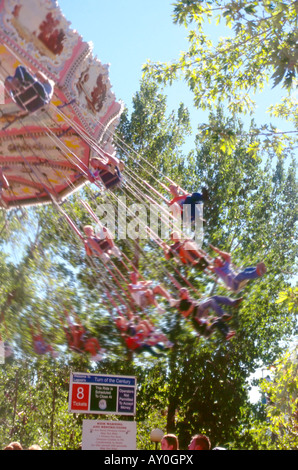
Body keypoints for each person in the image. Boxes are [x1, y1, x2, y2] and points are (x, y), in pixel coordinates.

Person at [173, 288, 240, 340]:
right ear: (182, 294)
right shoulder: (182, 303)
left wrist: (208, 316)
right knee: (210, 302)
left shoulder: (191, 299)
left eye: (186, 291)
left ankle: (233, 302)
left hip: (201, 312)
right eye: (184, 291)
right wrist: (191, 308)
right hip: (196, 314)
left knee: (214, 298)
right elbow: (185, 315)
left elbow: (204, 316)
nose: (187, 292)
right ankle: (222, 315)